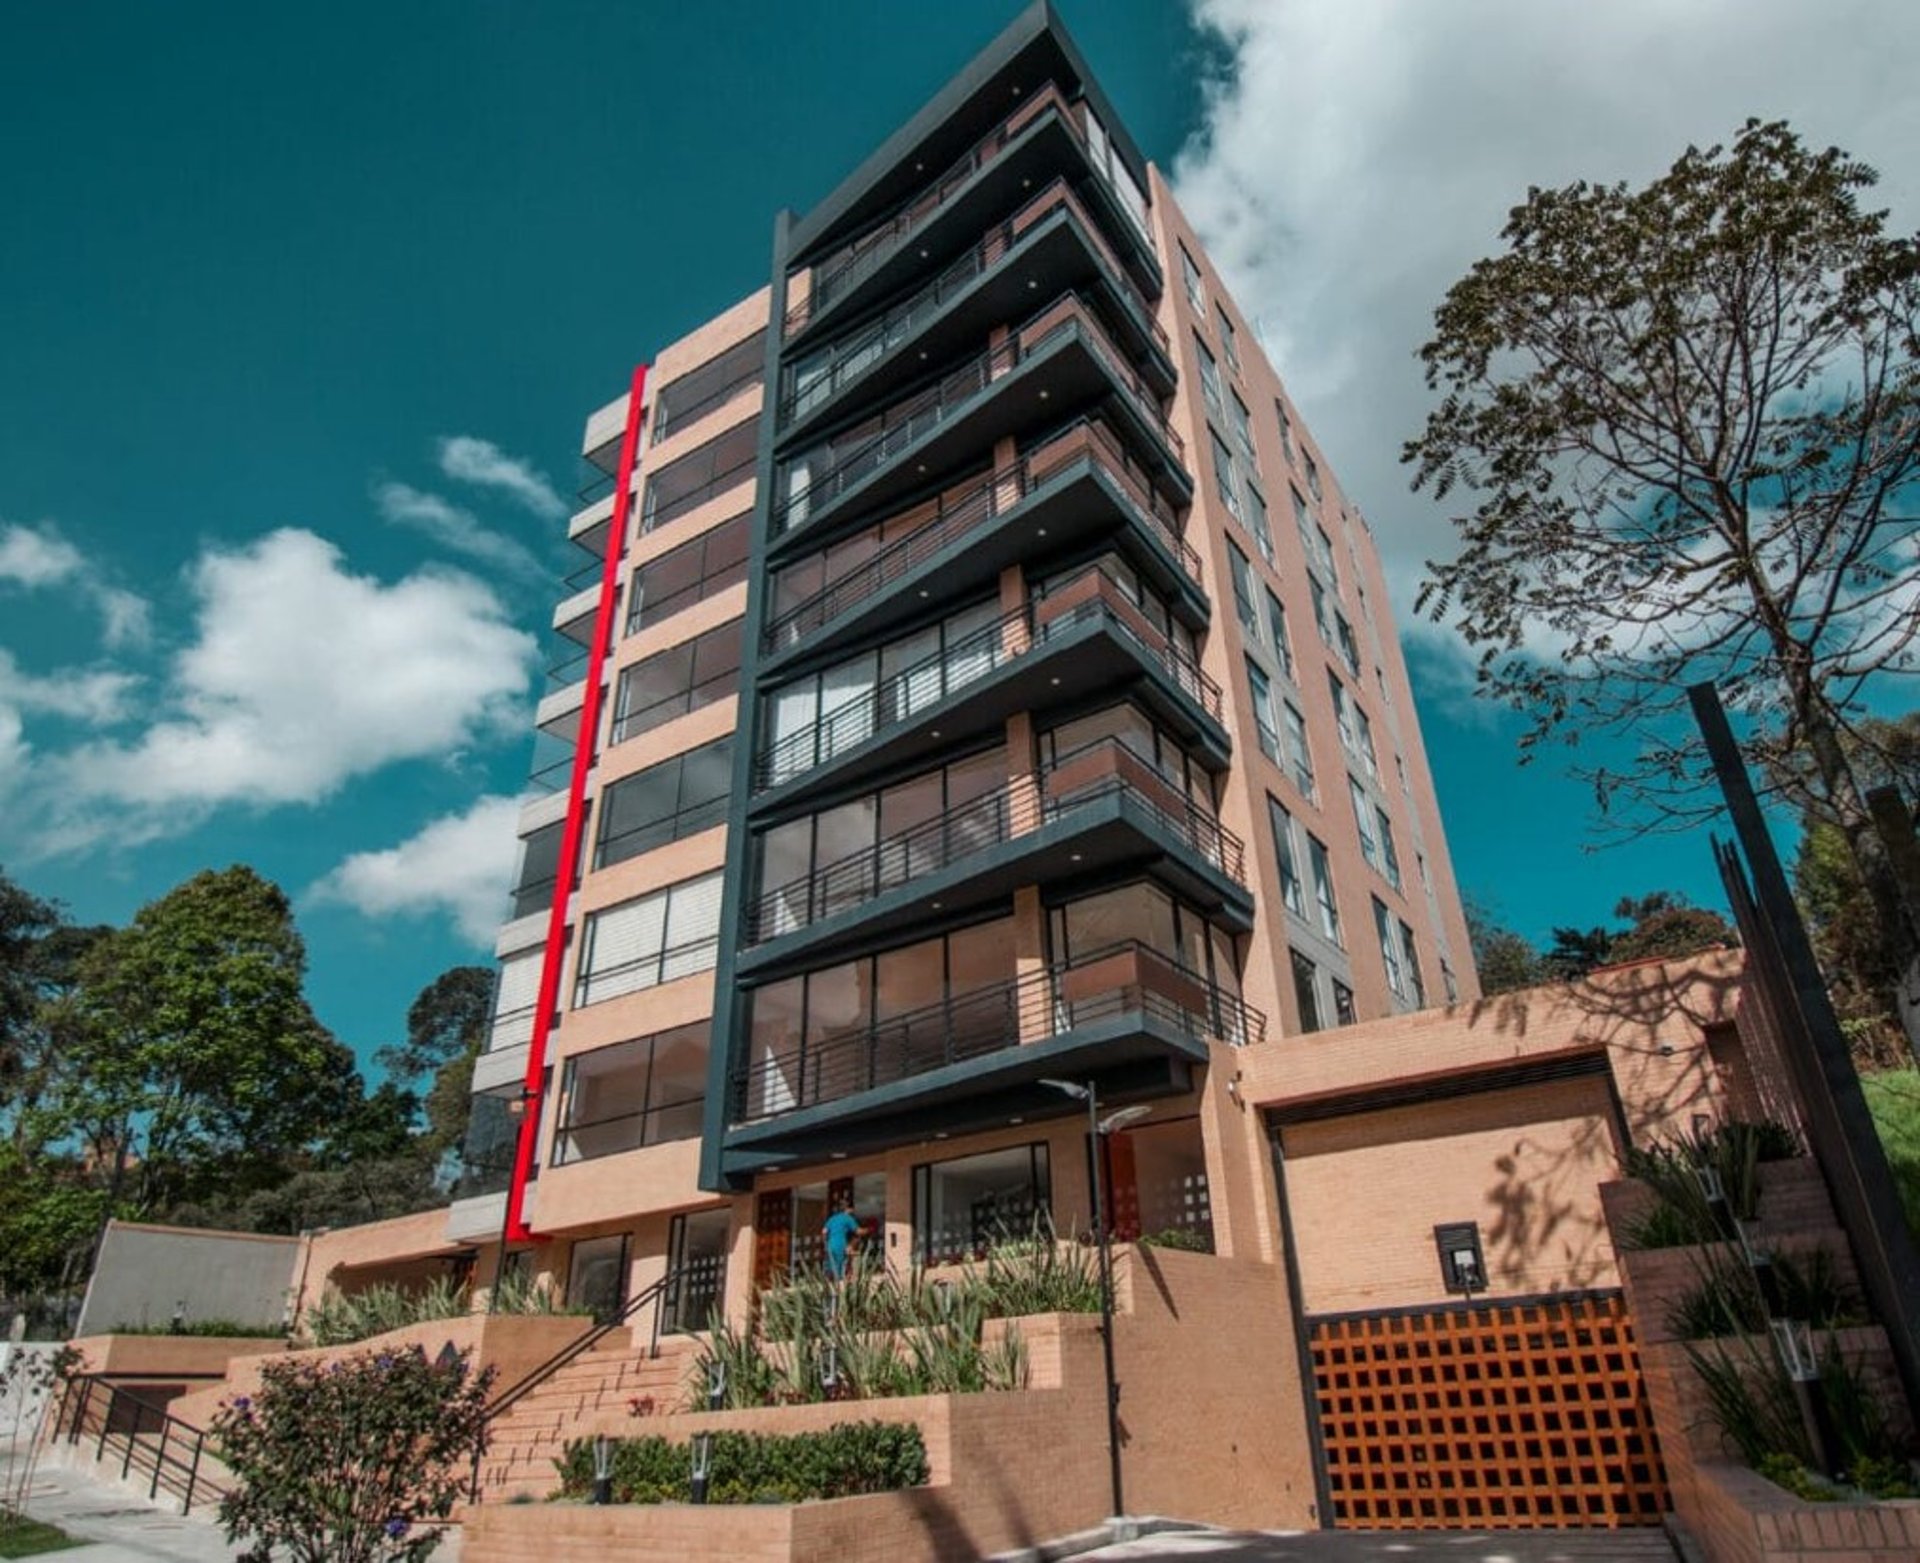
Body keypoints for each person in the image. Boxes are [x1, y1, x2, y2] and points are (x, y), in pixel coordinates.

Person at [822, 1196, 863, 1282]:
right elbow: (858, 1232)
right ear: (850, 1209)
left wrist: (826, 1244)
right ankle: (838, 1291)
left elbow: (824, 1231)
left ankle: (828, 1289)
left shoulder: (832, 1218)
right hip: (840, 1245)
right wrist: (870, 1229)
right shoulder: (848, 1218)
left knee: (829, 1269)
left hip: (830, 1245)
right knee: (840, 1270)